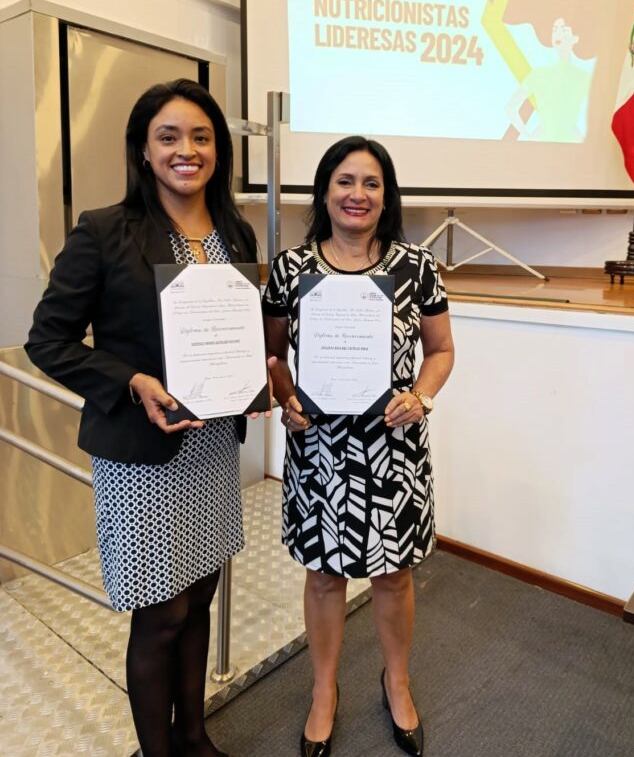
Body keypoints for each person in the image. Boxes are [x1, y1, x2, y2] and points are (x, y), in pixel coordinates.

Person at [25, 78, 267, 757]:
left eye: (201, 137)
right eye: (169, 136)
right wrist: (132, 381)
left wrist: (257, 374)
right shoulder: (105, 230)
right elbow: (49, 340)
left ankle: (193, 737)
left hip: (211, 449)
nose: (186, 150)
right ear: (142, 149)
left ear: (218, 150)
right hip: (142, 455)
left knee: (200, 600)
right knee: (161, 615)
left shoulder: (235, 231)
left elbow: (235, 327)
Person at [262, 136, 455, 757]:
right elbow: (271, 358)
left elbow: (441, 351)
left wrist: (421, 396)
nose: (358, 194)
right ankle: (324, 690)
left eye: (372, 183)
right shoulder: (290, 269)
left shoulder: (416, 267)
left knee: (395, 576)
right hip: (319, 450)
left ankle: (396, 681)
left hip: (393, 447)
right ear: (324, 191)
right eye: (345, 181)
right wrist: (286, 399)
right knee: (324, 577)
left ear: (386, 195)